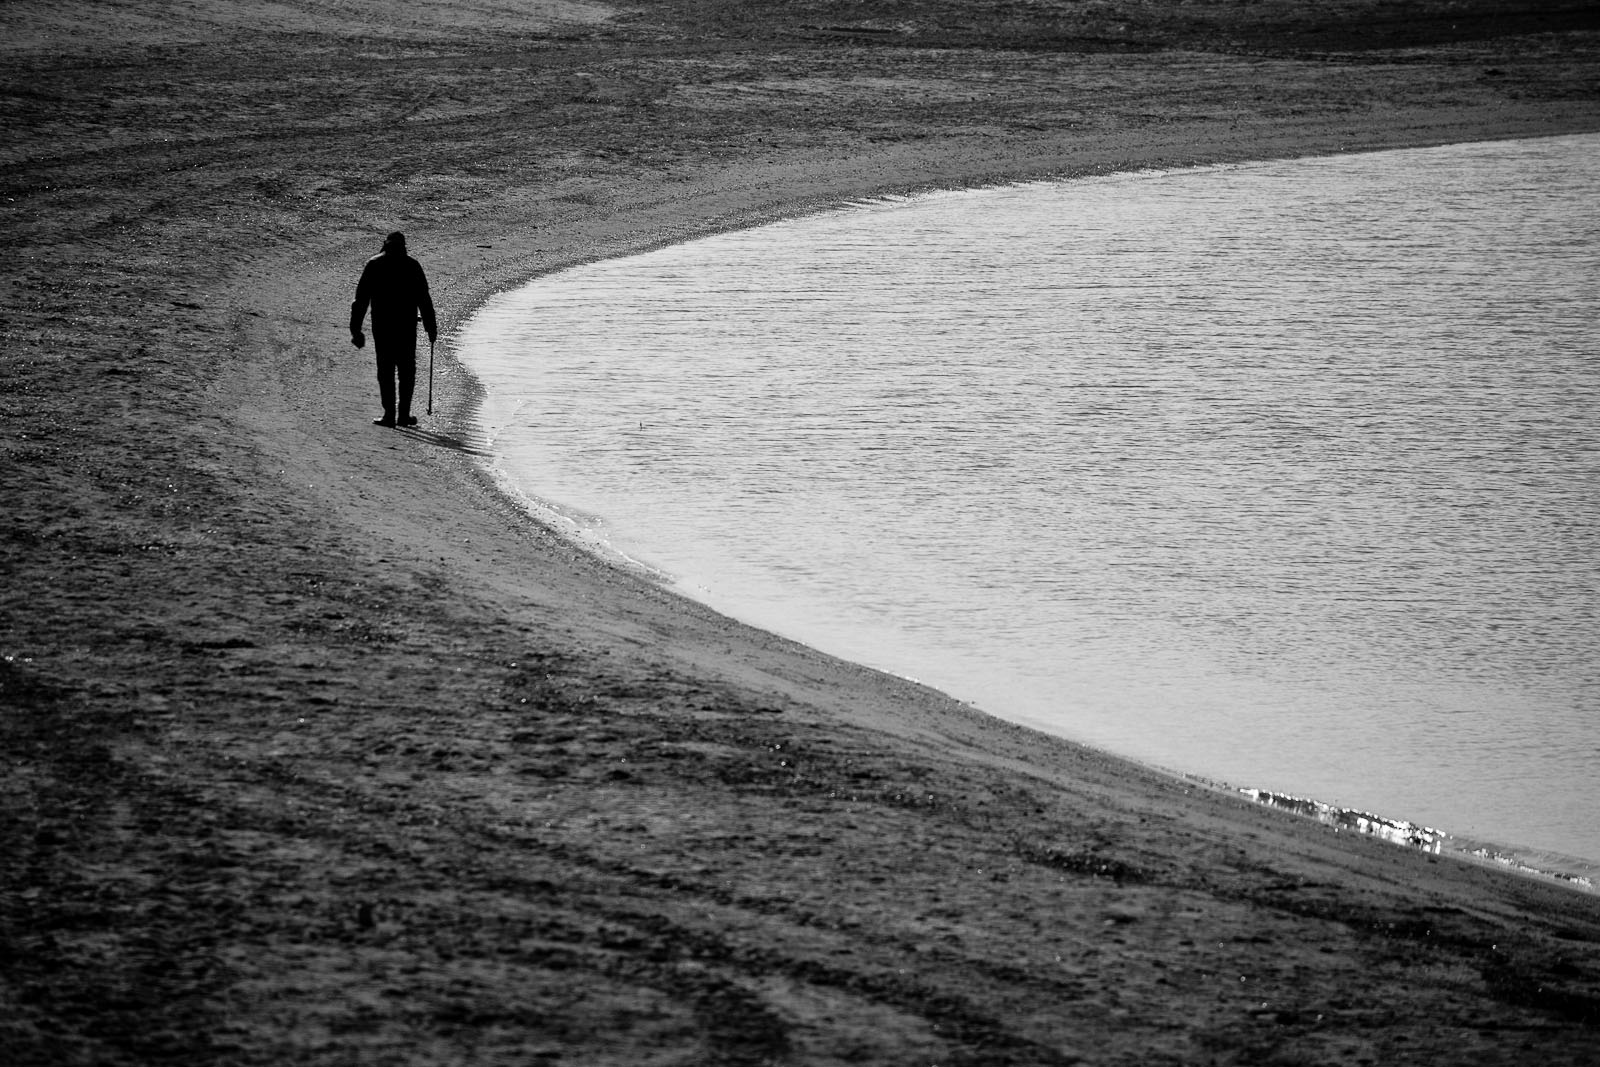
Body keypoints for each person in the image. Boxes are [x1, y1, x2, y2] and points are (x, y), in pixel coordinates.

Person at [350, 232, 437, 427]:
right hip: (406, 326)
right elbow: (424, 300)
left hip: (382, 325)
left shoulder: (374, 264)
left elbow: (360, 301)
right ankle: (403, 415)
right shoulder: (412, 265)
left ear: (385, 245)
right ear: (403, 247)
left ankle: (389, 415)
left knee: (385, 369)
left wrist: (356, 330)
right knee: (406, 370)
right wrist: (431, 328)